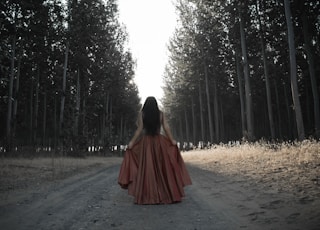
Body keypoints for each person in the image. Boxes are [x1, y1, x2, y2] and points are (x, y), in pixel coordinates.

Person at [118, 96, 192, 204]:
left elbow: (139, 130)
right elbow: (166, 127)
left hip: (146, 143)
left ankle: (148, 196)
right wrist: (172, 140)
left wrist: (132, 142)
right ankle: (166, 194)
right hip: (159, 142)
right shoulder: (161, 114)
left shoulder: (142, 114)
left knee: (148, 168)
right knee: (162, 168)